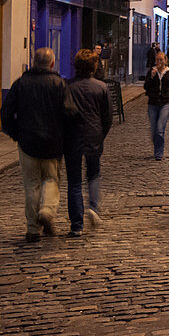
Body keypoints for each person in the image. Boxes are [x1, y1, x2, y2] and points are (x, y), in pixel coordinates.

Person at [0, 48, 80, 242]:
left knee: (31, 184)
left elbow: (6, 112)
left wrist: (15, 134)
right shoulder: (59, 84)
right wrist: (66, 137)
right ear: (52, 64)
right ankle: (47, 210)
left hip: (28, 142)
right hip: (53, 143)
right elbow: (71, 113)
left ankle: (33, 228)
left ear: (34, 62)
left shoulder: (21, 84)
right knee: (51, 179)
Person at [65, 49, 113, 237]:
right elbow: (107, 117)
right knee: (93, 174)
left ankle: (76, 225)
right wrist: (101, 134)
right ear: (94, 66)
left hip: (72, 138)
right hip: (94, 136)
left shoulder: (68, 86)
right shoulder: (101, 87)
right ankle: (93, 207)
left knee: (74, 181)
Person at [144, 50, 169, 160]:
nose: (159, 62)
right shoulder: (151, 72)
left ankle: (159, 152)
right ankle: (157, 146)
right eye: (157, 59)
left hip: (165, 103)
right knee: (154, 130)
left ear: (165, 60)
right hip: (153, 103)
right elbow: (146, 87)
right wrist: (152, 77)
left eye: (161, 59)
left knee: (159, 128)